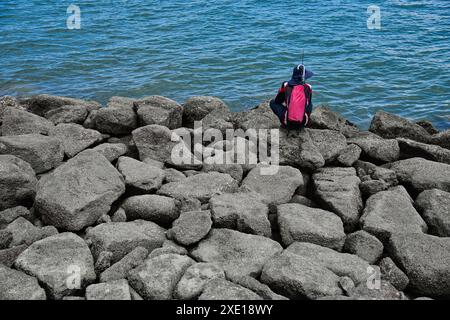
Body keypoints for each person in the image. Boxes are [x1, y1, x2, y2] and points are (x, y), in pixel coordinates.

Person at [270, 64, 314, 129]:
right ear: (303, 77)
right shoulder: (308, 87)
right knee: (310, 104)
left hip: (287, 123)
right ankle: (307, 120)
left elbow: (278, 101)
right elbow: (308, 104)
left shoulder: (286, 85)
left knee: (272, 103)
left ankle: (285, 124)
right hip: (303, 123)